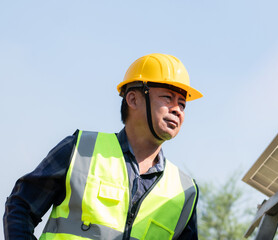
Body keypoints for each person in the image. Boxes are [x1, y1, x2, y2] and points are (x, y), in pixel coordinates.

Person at [3, 53, 203, 239]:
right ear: (133, 99)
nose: (177, 110)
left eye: (182, 104)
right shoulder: (80, 151)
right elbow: (20, 208)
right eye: (167, 98)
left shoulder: (185, 191)